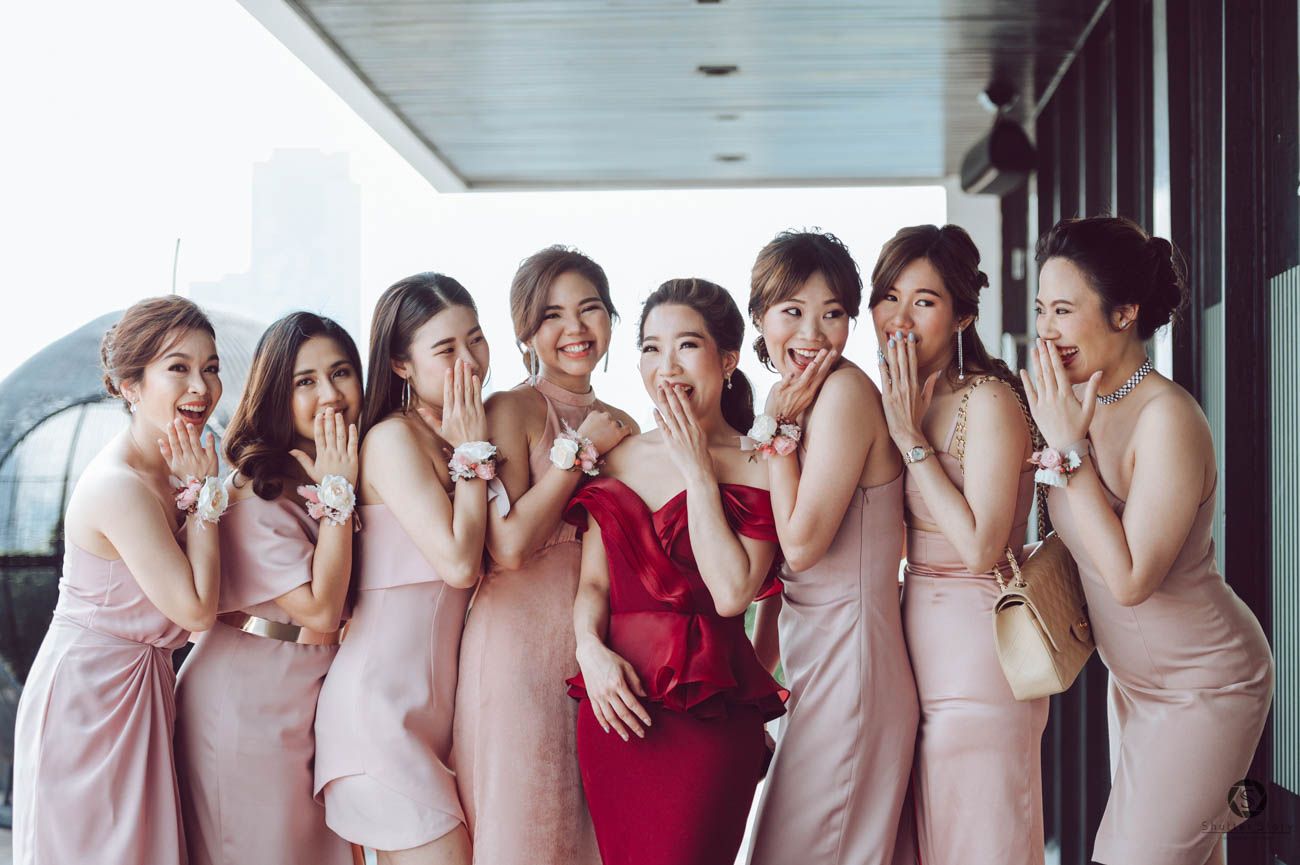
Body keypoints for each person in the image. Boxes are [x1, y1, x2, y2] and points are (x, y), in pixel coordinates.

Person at [1024, 216, 1273, 865]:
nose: (1046, 329)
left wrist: (1069, 451)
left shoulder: (1168, 419)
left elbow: (1133, 579)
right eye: (1041, 309)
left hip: (1206, 685)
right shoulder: (1079, 404)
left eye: (1064, 310)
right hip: (1134, 683)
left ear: (1124, 312)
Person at [567, 278, 786, 865]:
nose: (667, 366)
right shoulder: (616, 458)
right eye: (650, 348)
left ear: (729, 359)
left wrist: (698, 474)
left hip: (711, 718)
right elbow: (594, 585)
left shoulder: (762, 463)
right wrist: (589, 651)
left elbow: (733, 593)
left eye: (687, 345)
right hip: (614, 709)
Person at [14, 296, 225, 865]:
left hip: (142, 688)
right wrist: (205, 497)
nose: (201, 386)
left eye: (210, 367)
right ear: (130, 386)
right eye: (178, 368)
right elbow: (196, 612)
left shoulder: (177, 470)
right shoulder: (120, 486)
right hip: (89, 697)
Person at [870, 224, 1047, 865]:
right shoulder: (894, 398)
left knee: (980, 836)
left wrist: (911, 441)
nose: (900, 318)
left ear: (963, 316)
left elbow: (979, 548)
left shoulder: (988, 400)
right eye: (889, 297)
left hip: (980, 646)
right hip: (912, 642)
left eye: (924, 301)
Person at [451, 246, 634, 865]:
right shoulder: (512, 409)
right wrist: (579, 453)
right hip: (517, 655)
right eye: (553, 315)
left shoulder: (625, 424)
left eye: (590, 308)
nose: (575, 328)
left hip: (598, 656)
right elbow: (506, 546)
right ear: (525, 331)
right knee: (524, 828)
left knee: (586, 837)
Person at [744, 230, 917, 865]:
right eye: (792, 311)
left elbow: (801, 544)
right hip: (817, 663)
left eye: (833, 313)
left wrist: (776, 432)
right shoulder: (793, 399)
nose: (813, 334)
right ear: (760, 318)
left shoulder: (842, 395)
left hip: (853, 663)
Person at [315, 273, 491, 865]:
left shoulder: (457, 434)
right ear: (401, 364)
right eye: (446, 349)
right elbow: (460, 563)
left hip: (429, 720)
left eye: (476, 339)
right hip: (377, 718)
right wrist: (471, 452)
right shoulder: (392, 441)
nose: (470, 361)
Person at [175, 312, 361, 865]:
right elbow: (322, 611)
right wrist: (338, 493)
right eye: (306, 381)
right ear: (276, 393)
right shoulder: (255, 490)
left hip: (309, 703)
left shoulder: (330, 470)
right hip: (248, 705)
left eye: (341, 372)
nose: (329, 394)